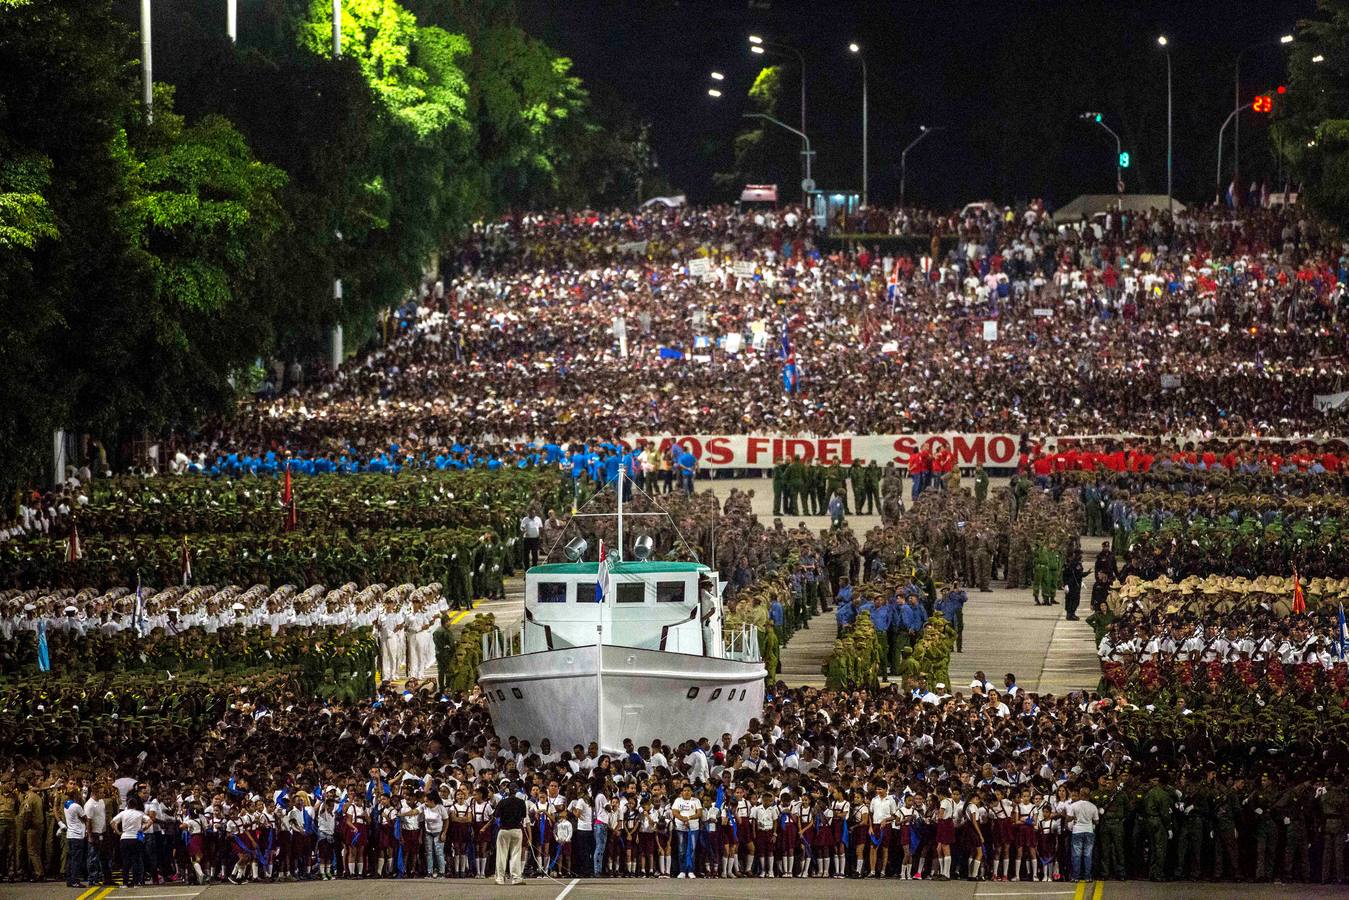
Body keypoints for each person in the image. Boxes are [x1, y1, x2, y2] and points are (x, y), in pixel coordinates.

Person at [494, 783, 527, 885]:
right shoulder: (521, 802)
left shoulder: (502, 802)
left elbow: (496, 816)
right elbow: (523, 817)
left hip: (504, 829)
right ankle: (516, 878)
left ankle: (500, 878)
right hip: (516, 829)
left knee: (501, 854)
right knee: (516, 854)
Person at [1067, 786, 1099, 881]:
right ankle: (1087, 876)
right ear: (1089, 796)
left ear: (1080, 795)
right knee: (1088, 855)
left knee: (1076, 855)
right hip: (1089, 831)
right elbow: (1097, 821)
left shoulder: (1074, 806)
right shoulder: (1093, 807)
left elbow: (1069, 818)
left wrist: (1074, 818)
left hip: (1077, 831)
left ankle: (1075, 877)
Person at [672, 784, 701, 878]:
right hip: (680, 828)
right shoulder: (678, 800)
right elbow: (675, 812)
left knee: (692, 849)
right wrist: (683, 819)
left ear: (692, 792)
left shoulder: (696, 801)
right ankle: (682, 870)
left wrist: (688, 818)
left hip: (693, 828)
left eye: (689, 790)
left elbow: (699, 813)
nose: (687, 792)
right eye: (685, 790)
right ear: (682, 792)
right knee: (681, 850)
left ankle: (691, 870)